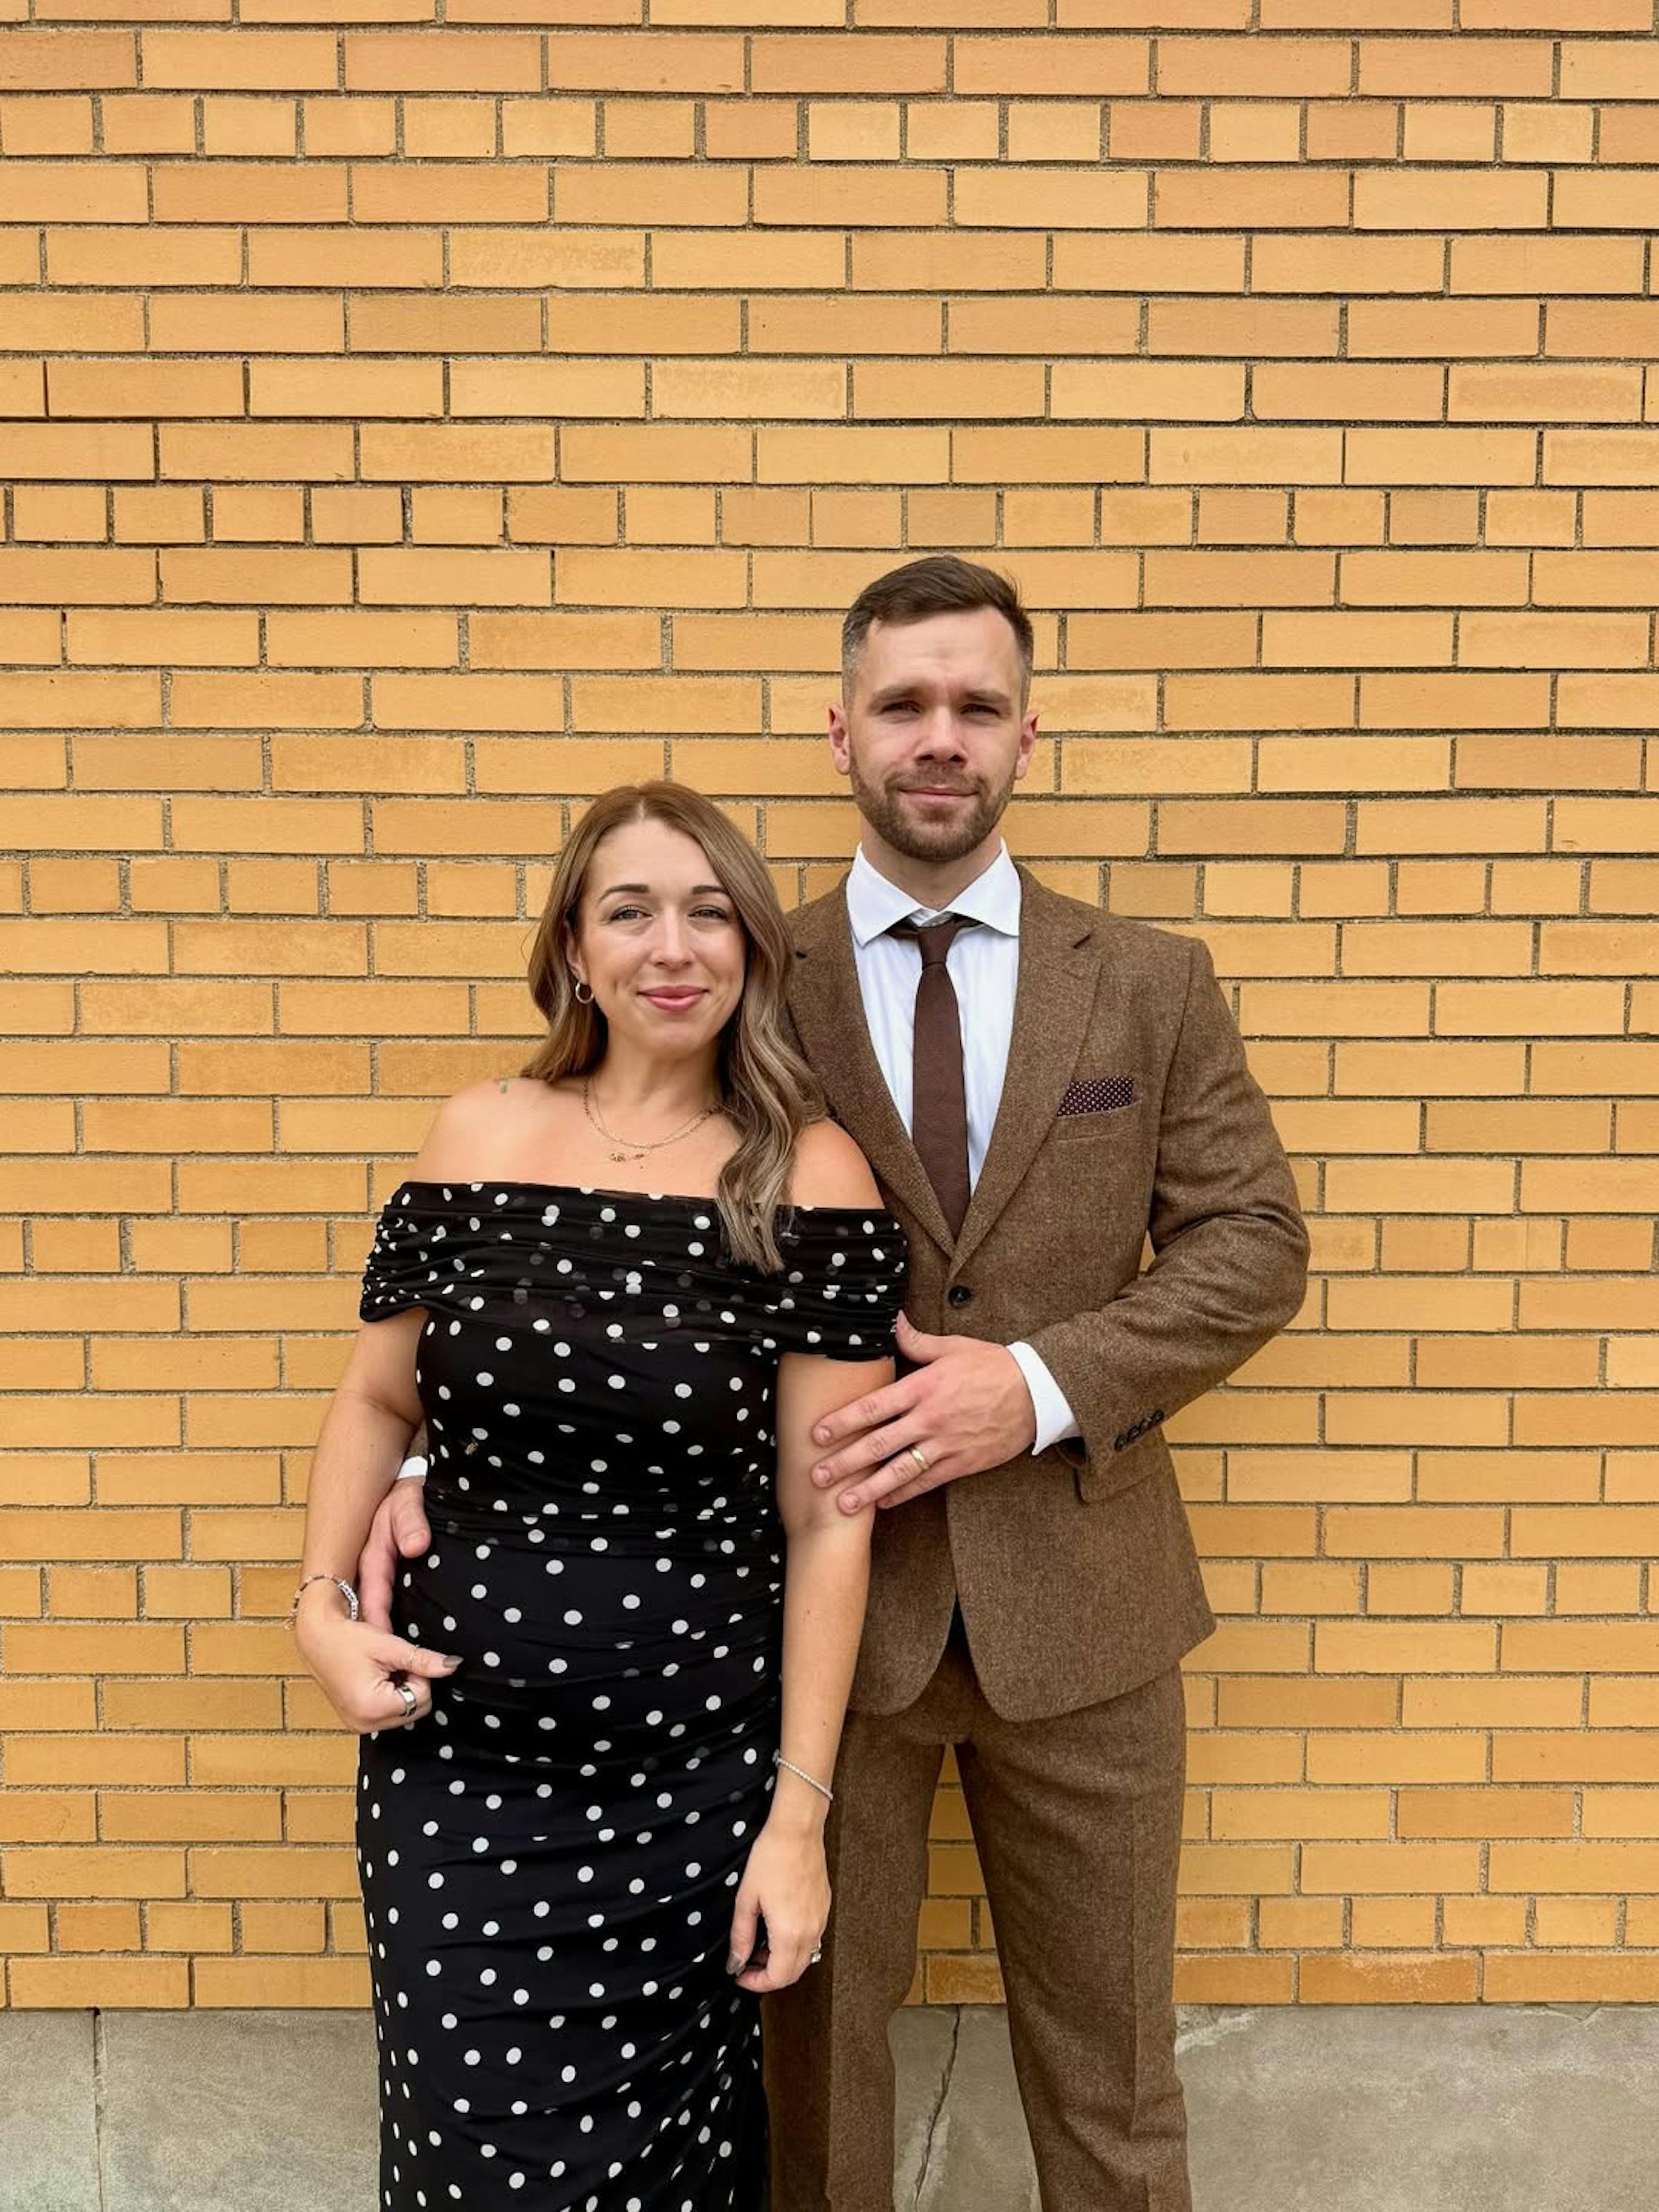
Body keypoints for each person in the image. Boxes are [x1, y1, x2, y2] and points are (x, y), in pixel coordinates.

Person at [362, 555, 1309, 2210]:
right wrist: (449, 1462)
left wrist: (1036, 1382)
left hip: (1087, 1614)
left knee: (1112, 2082)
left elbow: (1253, 1243)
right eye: (904, 705)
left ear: (1028, 735)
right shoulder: (739, 966)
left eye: (976, 708)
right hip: (805, 1637)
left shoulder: (1151, 981)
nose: (939, 737)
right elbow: (602, 1224)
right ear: (842, 732)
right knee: (813, 2094)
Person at [291, 779, 905, 2211]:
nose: (671, 946)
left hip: (690, 1779)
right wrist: (318, 1605)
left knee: (660, 2179)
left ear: (751, 945)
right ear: (575, 946)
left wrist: (796, 1824)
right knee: (465, 2164)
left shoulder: (811, 1175)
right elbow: (381, 1399)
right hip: (461, 1771)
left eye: (709, 912)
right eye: (630, 910)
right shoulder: (479, 1135)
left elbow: (831, 1518)